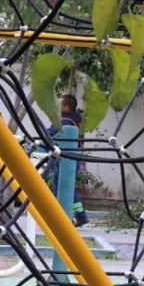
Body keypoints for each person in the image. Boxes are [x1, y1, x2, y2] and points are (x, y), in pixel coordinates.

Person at [46, 94, 89, 227]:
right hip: (75, 157)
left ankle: (66, 216)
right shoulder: (77, 118)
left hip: (65, 158)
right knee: (66, 186)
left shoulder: (63, 121)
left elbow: (48, 133)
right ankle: (78, 215)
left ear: (65, 107)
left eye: (59, 105)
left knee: (61, 187)